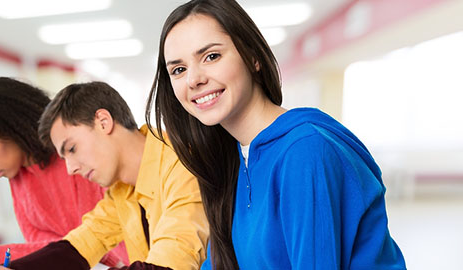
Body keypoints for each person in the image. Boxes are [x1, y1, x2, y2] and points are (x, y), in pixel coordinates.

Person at [146, 0, 407, 269]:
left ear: (253, 57)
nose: (194, 79)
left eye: (211, 56)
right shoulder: (235, 158)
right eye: (179, 70)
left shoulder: (304, 151)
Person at [0, 81, 208, 270]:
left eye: (71, 149)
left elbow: (168, 265)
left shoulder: (181, 163)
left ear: (103, 122)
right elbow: (82, 243)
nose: (70, 169)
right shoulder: (122, 190)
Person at [0, 77, 128, 269]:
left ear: (10, 126)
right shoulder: (19, 178)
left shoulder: (78, 161)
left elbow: (96, 246)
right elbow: (43, 247)